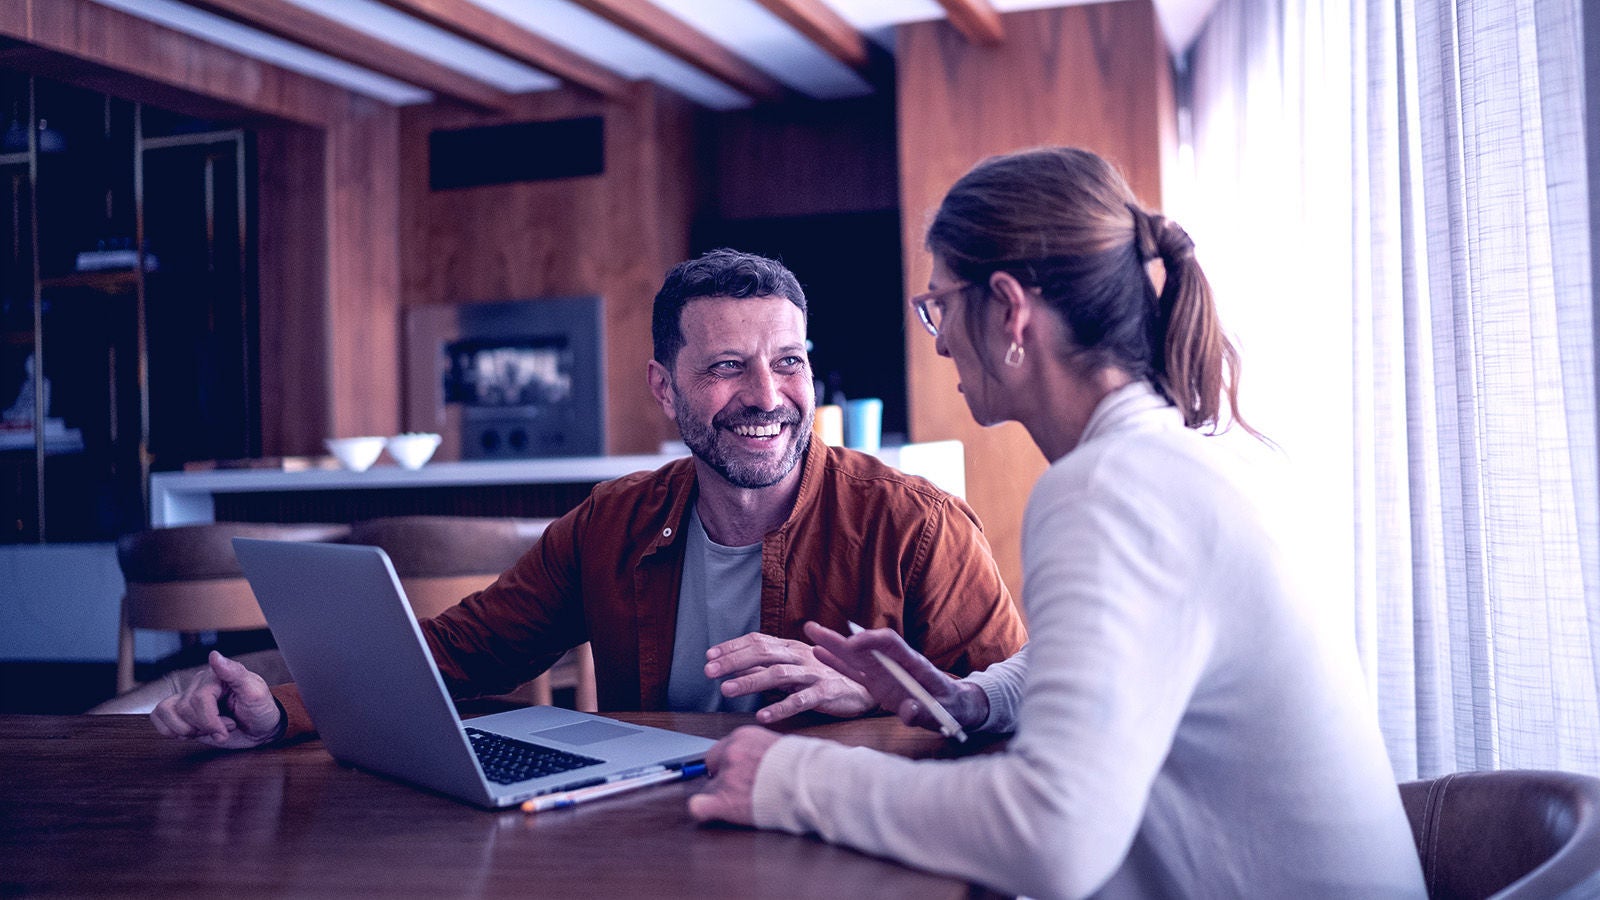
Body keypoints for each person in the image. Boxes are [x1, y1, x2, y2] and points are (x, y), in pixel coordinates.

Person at [688, 149, 1427, 898]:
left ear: (1009, 309)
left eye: (940, 304)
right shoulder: (1177, 460)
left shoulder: (1106, 489)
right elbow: (1131, 661)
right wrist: (972, 699)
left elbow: (1051, 836)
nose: (939, 339)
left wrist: (786, 775)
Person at [151, 249, 1026, 749]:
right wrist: (281, 708)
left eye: (788, 362)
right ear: (665, 385)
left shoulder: (917, 527)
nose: (768, 394)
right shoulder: (612, 523)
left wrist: (874, 694)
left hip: (846, 848)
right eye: (727, 366)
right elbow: (456, 655)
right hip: (654, 835)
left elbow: (1022, 710)